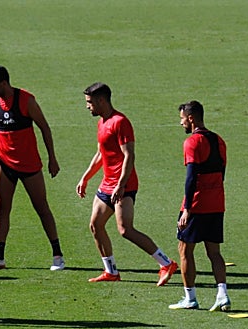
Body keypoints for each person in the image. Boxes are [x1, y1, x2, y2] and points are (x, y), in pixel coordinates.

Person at [76, 84, 179, 285]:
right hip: (107, 184)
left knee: (125, 230)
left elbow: (129, 155)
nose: (87, 107)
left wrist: (121, 185)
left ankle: (166, 264)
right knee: (95, 225)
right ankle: (111, 271)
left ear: (101, 101)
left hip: (124, 185)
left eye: (89, 102)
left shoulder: (120, 122)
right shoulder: (102, 122)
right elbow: (100, 154)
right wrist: (85, 177)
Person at [0, 66, 65, 272]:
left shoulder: (26, 100)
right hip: (4, 162)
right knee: (1, 208)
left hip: (29, 165)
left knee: (41, 208)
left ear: (3, 83)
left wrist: (52, 158)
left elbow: (44, 127)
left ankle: (58, 256)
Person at [169, 101, 230, 313]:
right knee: (214, 252)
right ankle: (222, 294)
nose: (181, 122)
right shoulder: (219, 140)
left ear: (191, 118)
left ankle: (190, 298)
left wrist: (187, 209)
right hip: (217, 203)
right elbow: (222, 172)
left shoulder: (192, 142)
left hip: (196, 204)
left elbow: (191, 177)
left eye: (182, 118)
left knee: (184, 250)